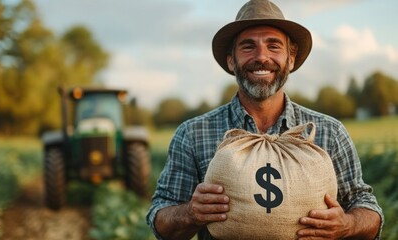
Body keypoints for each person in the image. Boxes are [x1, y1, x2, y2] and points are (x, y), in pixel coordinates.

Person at [146, 0, 383, 239]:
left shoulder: (328, 132)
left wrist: (348, 224)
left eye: (274, 46)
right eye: (248, 47)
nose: (262, 57)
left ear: (291, 59)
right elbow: (160, 218)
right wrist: (190, 213)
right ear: (231, 60)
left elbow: (367, 207)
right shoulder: (193, 133)